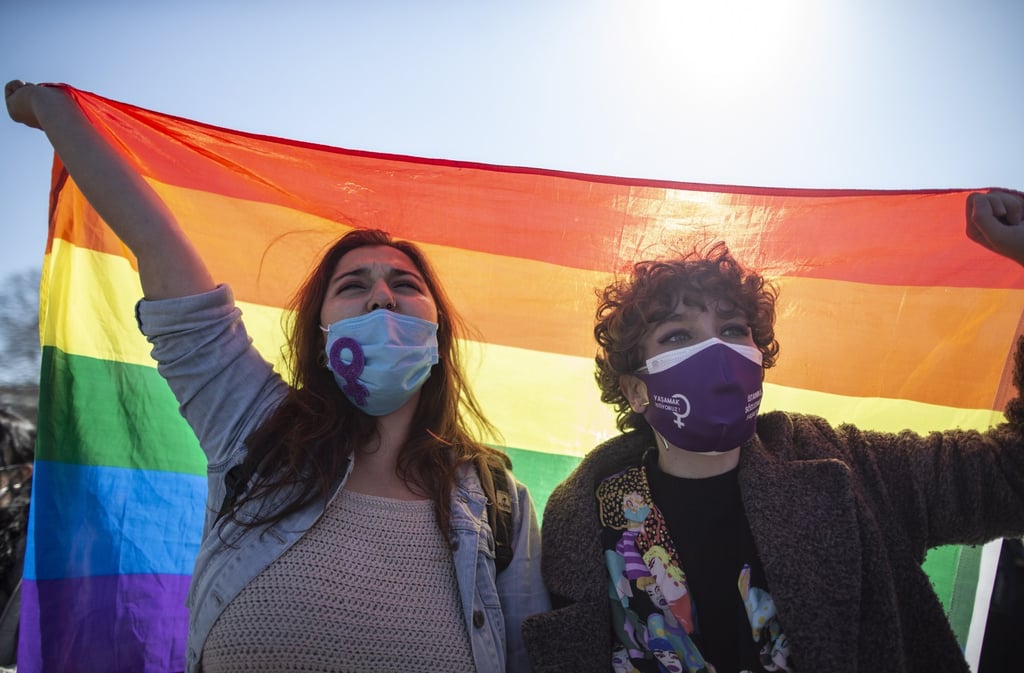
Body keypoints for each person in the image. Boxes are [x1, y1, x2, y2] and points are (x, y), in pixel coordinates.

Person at [5, 80, 549, 673]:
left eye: (405, 285)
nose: (381, 300)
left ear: (439, 334)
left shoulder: (499, 504)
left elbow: (529, 655)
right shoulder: (253, 427)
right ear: (320, 334)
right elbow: (158, 246)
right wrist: (56, 114)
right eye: (353, 286)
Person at [521, 191, 1024, 673]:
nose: (716, 352)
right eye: (678, 335)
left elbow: (1012, 473)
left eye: (734, 330)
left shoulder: (850, 467)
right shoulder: (583, 516)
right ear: (634, 390)